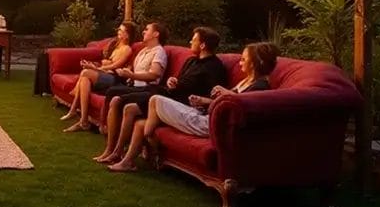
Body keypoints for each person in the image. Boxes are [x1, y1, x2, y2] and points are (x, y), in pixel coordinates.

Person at [108, 42, 278, 172]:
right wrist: (204, 101)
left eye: (244, 59)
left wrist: (226, 93)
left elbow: (241, 106)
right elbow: (226, 102)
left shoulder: (260, 87)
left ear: (255, 62)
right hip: (204, 113)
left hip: (209, 125)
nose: (240, 63)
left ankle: (151, 139)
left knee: (155, 100)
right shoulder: (246, 81)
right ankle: (127, 161)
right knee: (144, 115)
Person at [95, 26, 227, 164]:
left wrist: (200, 100)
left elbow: (214, 95)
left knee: (128, 107)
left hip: (179, 103)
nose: (189, 42)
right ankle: (113, 150)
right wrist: (173, 81)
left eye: (193, 40)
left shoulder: (214, 67)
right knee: (117, 98)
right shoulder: (191, 61)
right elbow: (180, 81)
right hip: (167, 92)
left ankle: (117, 153)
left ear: (203, 45)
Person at [61, 22, 138, 132]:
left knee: (85, 73)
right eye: (119, 30)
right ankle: (83, 121)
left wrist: (94, 68)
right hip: (105, 74)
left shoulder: (127, 49)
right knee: (84, 79)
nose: (118, 32)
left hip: (114, 78)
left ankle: (73, 109)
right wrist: (94, 65)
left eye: (121, 30)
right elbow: (105, 63)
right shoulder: (115, 45)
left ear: (128, 35)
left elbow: (114, 66)